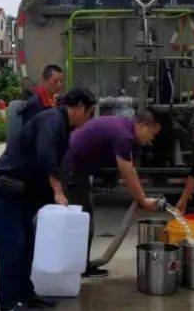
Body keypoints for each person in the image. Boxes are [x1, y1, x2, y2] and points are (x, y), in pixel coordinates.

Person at [0, 88, 96, 311]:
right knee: (12, 248)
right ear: (79, 107)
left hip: (25, 192)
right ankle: (8, 304)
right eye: (89, 113)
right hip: (8, 187)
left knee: (27, 245)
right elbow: (45, 157)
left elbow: (57, 163)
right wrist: (57, 191)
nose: (88, 119)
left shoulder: (62, 126)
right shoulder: (52, 119)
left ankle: (25, 294)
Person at [63, 109, 163, 278]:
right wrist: (143, 200)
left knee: (82, 218)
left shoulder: (124, 127)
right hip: (71, 168)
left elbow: (127, 166)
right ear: (143, 125)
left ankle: (78, 265)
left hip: (75, 165)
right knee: (82, 220)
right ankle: (78, 268)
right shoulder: (123, 135)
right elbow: (127, 171)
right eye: (152, 134)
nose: (152, 139)